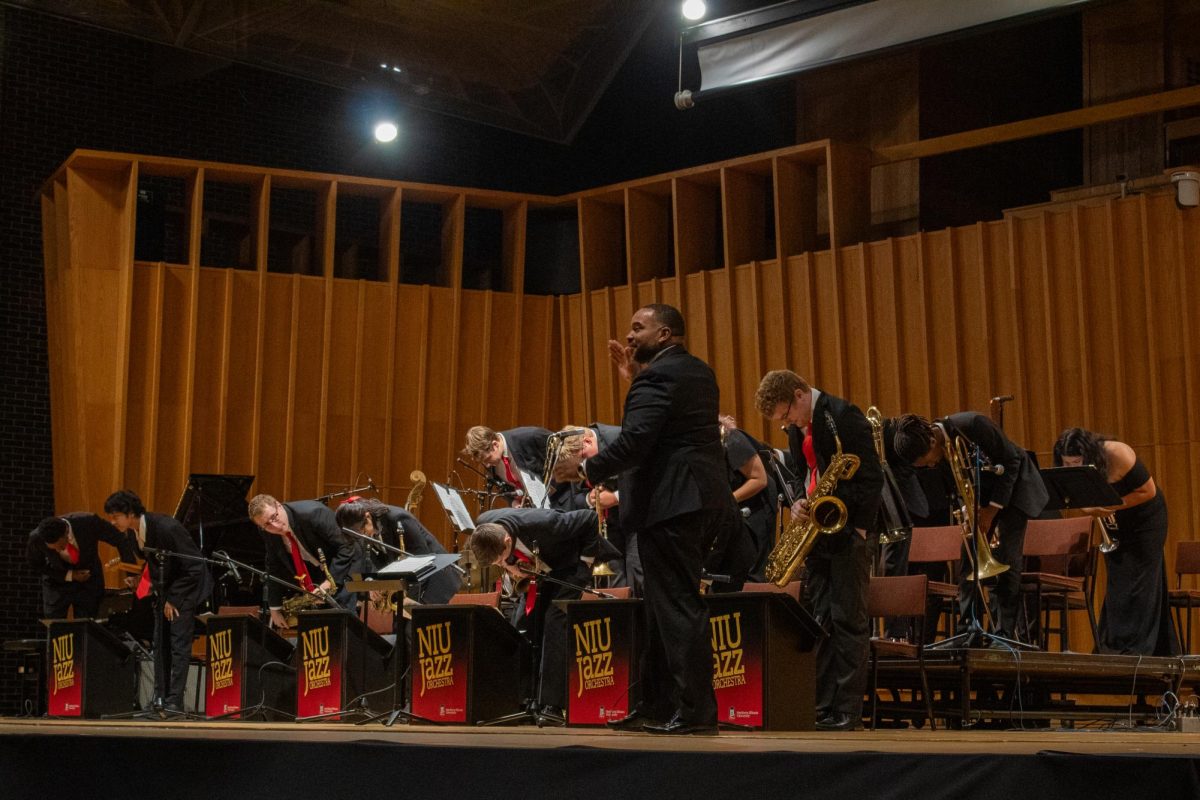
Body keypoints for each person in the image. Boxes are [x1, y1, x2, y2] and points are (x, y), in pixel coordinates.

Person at [553, 303, 726, 736]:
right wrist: (635, 379)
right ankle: (656, 704)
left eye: (638, 328)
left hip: (670, 504)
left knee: (677, 606)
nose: (629, 336)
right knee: (660, 609)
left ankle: (696, 712)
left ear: (665, 334)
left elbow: (637, 441)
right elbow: (668, 427)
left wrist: (587, 469)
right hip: (694, 499)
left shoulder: (658, 376)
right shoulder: (697, 371)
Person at [753, 370, 883, 732]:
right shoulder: (798, 429)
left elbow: (872, 477)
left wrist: (858, 526)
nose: (787, 423)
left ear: (799, 394)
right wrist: (796, 501)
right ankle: (824, 707)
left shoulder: (843, 416)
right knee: (821, 622)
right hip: (819, 531)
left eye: (786, 414)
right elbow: (800, 474)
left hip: (848, 531)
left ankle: (847, 711)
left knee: (848, 621)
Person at [893, 412, 1048, 645]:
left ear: (933, 442)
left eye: (929, 461)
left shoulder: (974, 425)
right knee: (967, 559)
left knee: (1007, 558)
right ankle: (968, 629)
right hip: (981, 500)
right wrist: (968, 512)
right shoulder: (938, 447)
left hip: (1015, 492)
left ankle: (1003, 634)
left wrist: (990, 511)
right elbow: (956, 486)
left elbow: (1012, 461)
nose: (932, 465)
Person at [468, 507, 617, 721]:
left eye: (501, 560)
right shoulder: (483, 523)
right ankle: (523, 699)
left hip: (570, 565)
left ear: (507, 541)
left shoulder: (545, 523)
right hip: (541, 568)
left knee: (554, 622)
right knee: (521, 623)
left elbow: (589, 517)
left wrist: (585, 564)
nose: (502, 565)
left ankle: (553, 705)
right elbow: (507, 555)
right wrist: (511, 565)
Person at [1053, 427, 1178, 656]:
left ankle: (1136, 648)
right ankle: (1117, 646)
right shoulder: (1073, 468)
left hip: (1146, 518)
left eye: (1077, 462)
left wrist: (1108, 506)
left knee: (1141, 581)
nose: (1072, 468)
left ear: (1089, 455)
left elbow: (1147, 492)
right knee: (1118, 581)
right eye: (1067, 464)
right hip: (1115, 518)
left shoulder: (1117, 454)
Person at [104, 490, 211, 713]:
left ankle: (175, 702)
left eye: (115, 516)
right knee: (160, 644)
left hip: (185, 591)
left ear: (130, 513)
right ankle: (159, 698)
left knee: (178, 646)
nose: (112, 522)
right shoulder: (134, 534)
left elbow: (195, 566)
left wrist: (173, 599)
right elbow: (156, 563)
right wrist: (143, 580)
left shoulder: (166, 527)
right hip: (165, 593)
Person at [549, 423, 636, 592]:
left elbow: (649, 480)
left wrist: (617, 497)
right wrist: (590, 499)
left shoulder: (620, 439)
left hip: (638, 521)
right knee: (615, 584)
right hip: (610, 528)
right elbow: (576, 498)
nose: (585, 469)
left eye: (583, 460)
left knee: (639, 575)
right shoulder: (577, 458)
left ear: (587, 442)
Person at [247, 494, 356, 628]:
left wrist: (330, 580)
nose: (274, 526)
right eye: (267, 525)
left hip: (345, 568)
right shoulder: (266, 531)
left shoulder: (313, 513)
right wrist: (275, 609)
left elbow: (347, 546)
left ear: (278, 505)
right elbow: (273, 565)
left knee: (346, 626)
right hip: (318, 573)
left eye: (274, 517)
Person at [335, 498, 462, 606]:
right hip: (411, 587)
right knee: (402, 629)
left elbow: (422, 561)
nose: (362, 535)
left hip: (435, 581)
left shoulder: (398, 519)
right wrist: (373, 584)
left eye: (362, 529)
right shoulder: (367, 530)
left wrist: (410, 598)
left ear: (367, 516)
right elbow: (380, 565)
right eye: (357, 534)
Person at [26, 514, 137, 619]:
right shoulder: (36, 537)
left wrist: (131, 573)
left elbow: (121, 539)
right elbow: (36, 564)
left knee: (88, 628)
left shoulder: (89, 522)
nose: (58, 550)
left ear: (66, 534)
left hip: (89, 582)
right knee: (56, 627)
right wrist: (70, 575)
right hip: (57, 582)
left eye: (60, 546)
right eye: (53, 549)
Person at [719, 414, 777, 585]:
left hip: (755, 514)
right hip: (733, 516)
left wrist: (725, 501)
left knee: (752, 576)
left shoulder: (731, 438)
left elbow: (759, 479)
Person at [463, 425, 552, 507]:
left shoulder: (530, 436)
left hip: (559, 499)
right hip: (536, 508)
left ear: (495, 445)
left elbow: (561, 448)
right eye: (483, 462)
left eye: (487, 459)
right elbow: (502, 487)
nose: (487, 465)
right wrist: (513, 502)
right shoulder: (492, 462)